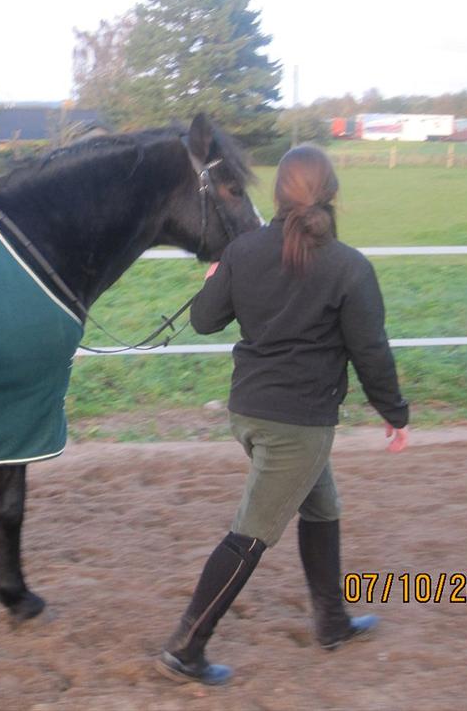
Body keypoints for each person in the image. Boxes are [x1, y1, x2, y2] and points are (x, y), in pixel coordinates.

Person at [156, 144, 411, 686]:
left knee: (321, 507)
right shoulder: (349, 267)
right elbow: (371, 351)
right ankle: (186, 645)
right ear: (333, 193)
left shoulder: (246, 250)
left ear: (277, 195)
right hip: (298, 424)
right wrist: (395, 413)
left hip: (249, 410)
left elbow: (203, 321)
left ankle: (332, 621)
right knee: (250, 533)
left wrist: (217, 277)